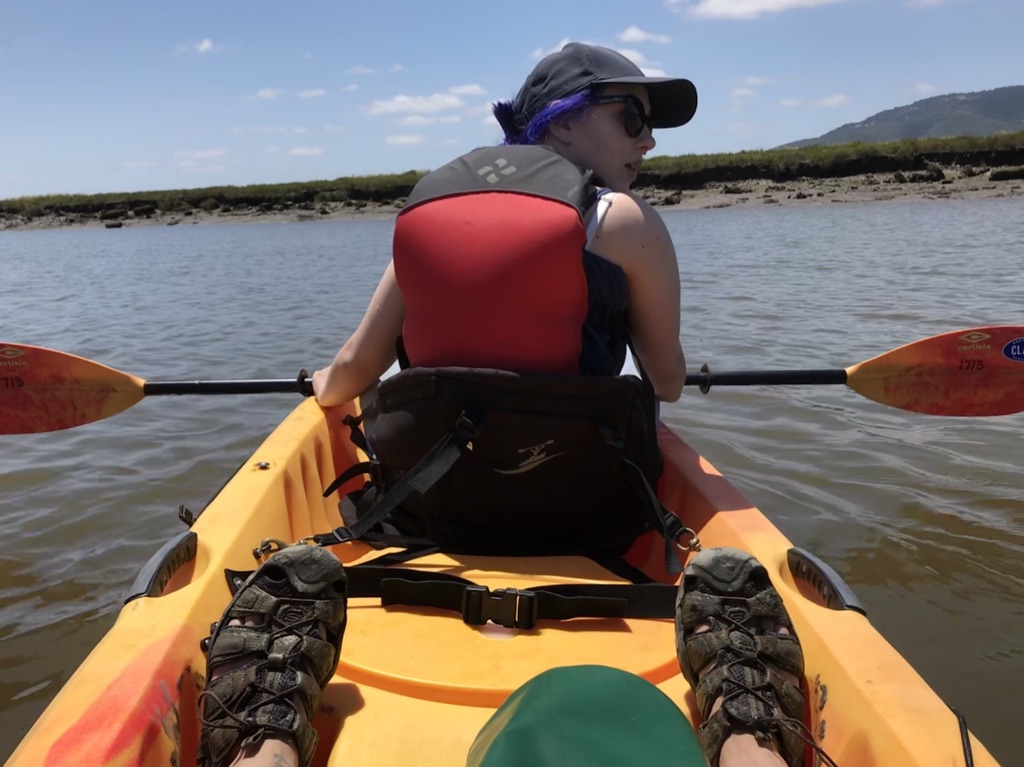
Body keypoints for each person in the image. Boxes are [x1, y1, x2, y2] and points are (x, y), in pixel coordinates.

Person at [196, 43, 818, 767]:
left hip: (430, 511)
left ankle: (267, 747)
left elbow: (349, 373)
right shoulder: (623, 219)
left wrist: (319, 391)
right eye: (631, 116)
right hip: (591, 513)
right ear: (558, 124)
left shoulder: (431, 218)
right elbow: (668, 378)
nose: (649, 139)